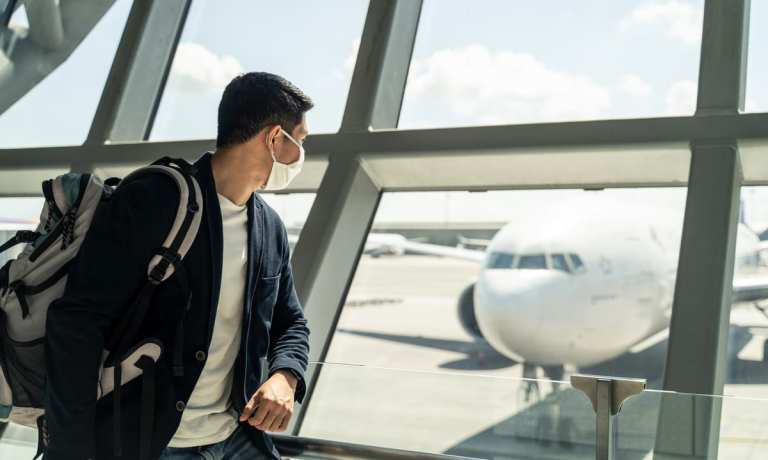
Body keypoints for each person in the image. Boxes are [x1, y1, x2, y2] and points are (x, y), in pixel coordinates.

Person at [43, 72, 313, 460]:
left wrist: (286, 376)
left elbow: (291, 321)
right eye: (299, 142)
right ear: (274, 139)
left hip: (237, 436)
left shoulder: (269, 227)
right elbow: (77, 324)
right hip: (151, 443)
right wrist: (70, 450)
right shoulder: (155, 200)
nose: (301, 156)